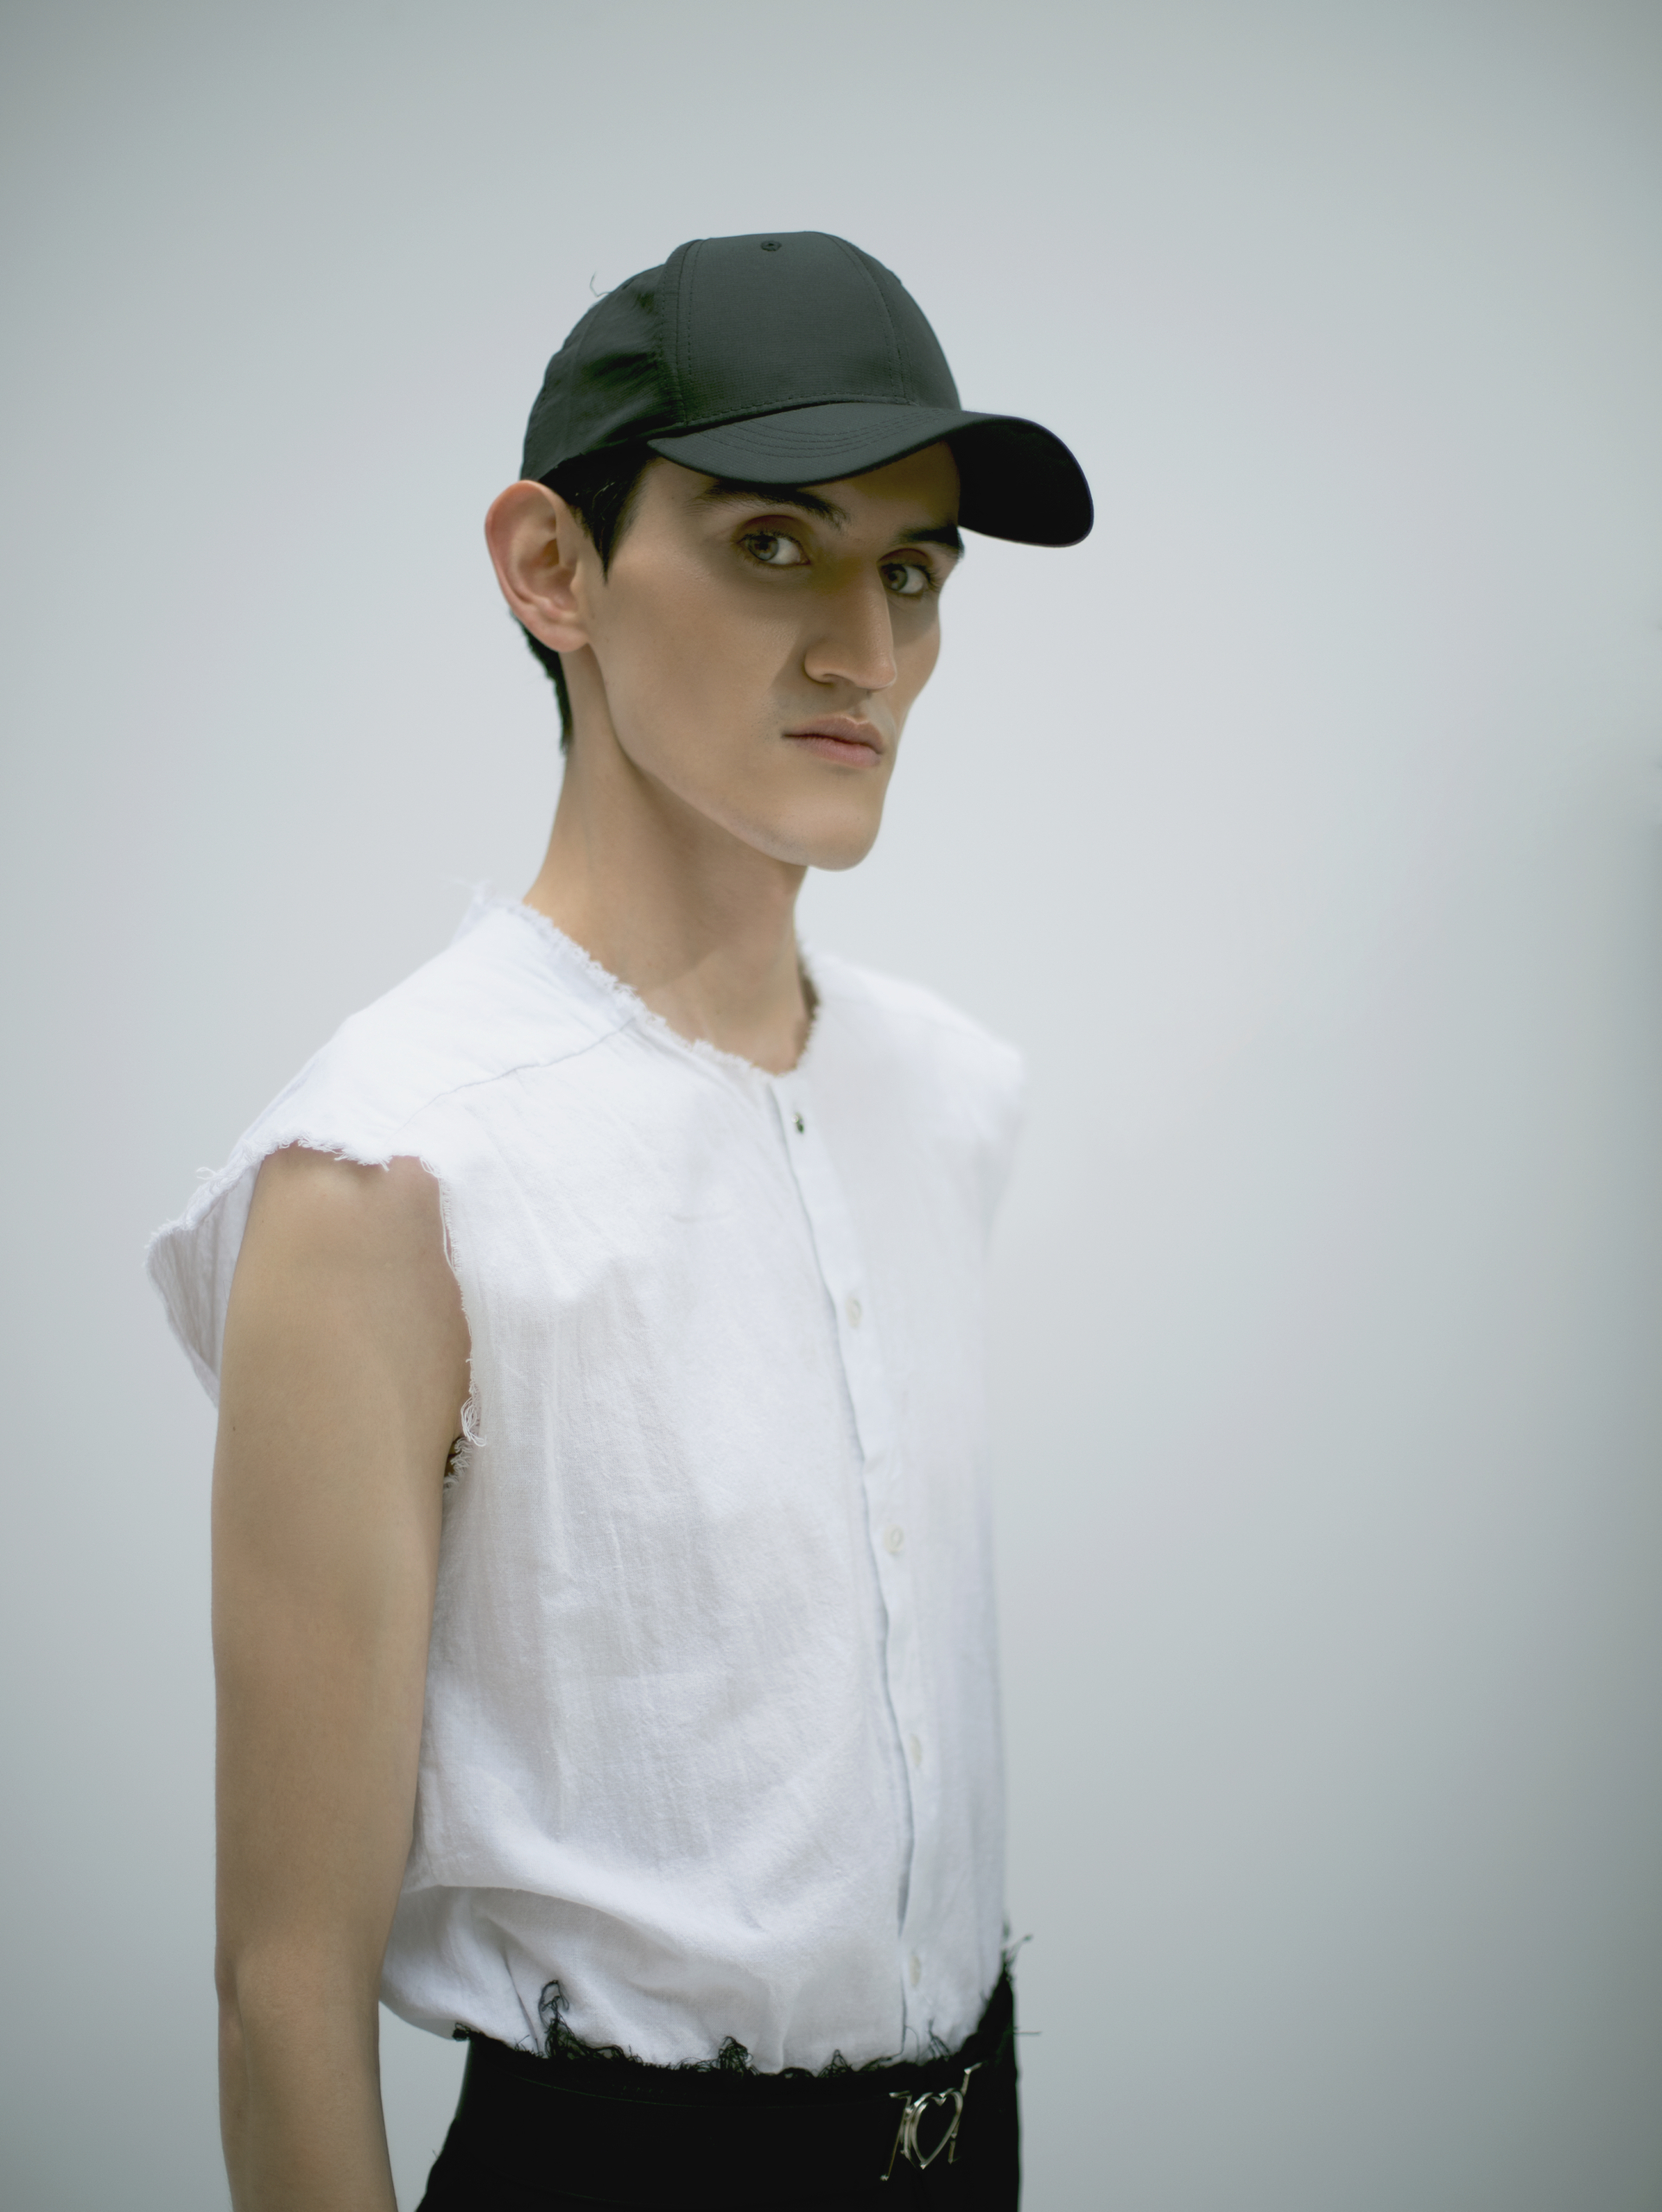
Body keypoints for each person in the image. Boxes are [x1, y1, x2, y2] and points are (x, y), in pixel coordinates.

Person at [148, 229, 1092, 2211]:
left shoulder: (945, 1091)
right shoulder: (390, 1168)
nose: (863, 648)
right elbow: (283, 1991)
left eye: (911, 571)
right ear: (550, 568)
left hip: (971, 2139)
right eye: (774, 543)